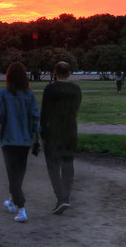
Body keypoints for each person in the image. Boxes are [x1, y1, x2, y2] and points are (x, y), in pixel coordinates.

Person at [0, 61, 40, 223]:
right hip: (25, 141)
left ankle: (21, 209)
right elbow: (35, 118)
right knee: (18, 174)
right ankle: (12, 202)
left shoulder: (3, 94)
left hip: (8, 140)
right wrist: (36, 137)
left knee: (13, 176)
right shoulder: (29, 95)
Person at [41, 61, 82, 214]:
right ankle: (66, 196)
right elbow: (75, 109)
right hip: (70, 131)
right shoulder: (76, 90)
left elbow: (44, 113)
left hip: (53, 132)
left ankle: (61, 198)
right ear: (69, 73)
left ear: (55, 73)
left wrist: (42, 133)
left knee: (53, 167)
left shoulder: (50, 89)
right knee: (68, 166)